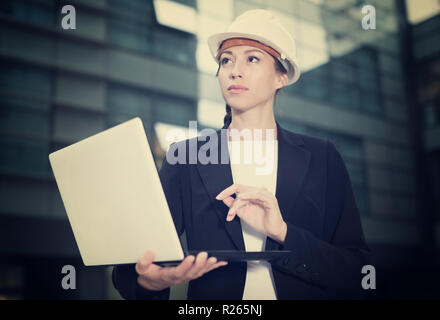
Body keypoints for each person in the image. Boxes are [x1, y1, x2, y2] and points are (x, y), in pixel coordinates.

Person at [112, 9, 371, 300]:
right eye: (226, 60)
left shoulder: (323, 157)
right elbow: (131, 270)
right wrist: (152, 282)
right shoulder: (185, 157)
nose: (235, 70)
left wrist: (283, 232)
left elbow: (356, 272)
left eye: (252, 58)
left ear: (281, 77)